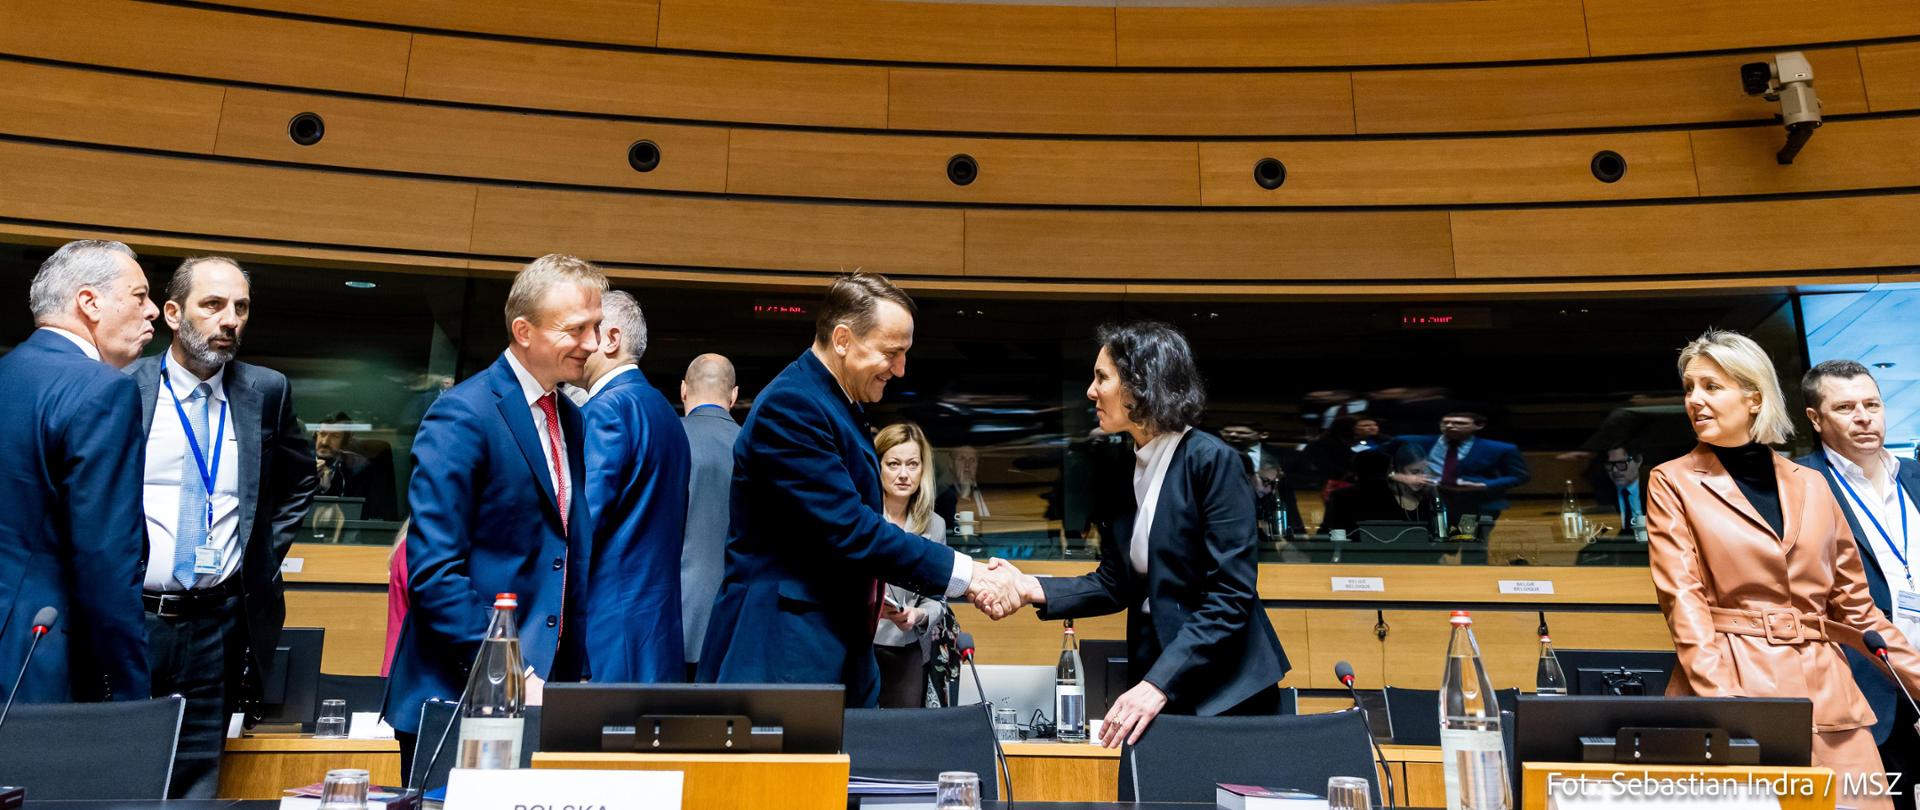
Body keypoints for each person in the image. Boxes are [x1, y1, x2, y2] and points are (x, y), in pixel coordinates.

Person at [699, 272, 1020, 707]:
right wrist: (969, 575)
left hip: (831, 645)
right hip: (782, 652)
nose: (900, 369)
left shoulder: (835, 403)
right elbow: (851, 529)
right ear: (843, 339)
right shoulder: (792, 406)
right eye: (891, 353)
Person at [1650, 330, 1920, 810]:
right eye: (1689, 388)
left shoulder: (1812, 484)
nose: (1695, 400)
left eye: (1711, 387)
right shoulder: (1672, 482)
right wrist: (1723, 706)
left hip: (1829, 693)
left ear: (1753, 397)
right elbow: (1684, 604)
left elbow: (1859, 611)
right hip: (1734, 684)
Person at [992, 321, 1290, 748]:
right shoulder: (1122, 467)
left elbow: (1230, 596)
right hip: (1159, 678)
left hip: (1228, 691)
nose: (1091, 392)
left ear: (1140, 384)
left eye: (1102, 378)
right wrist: (1028, 588)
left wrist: (1157, 684)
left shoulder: (1212, 461)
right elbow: (1116, 582)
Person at [384, 254, 602, 753]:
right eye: (576, 329)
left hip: (544, 692)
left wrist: (573, 672)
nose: (592, 343)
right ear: (524, 331)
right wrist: (512, 673)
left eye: (595, 326)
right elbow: (434, 571)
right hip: (459, 694)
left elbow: (561, 553)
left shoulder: (569, 418)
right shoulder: (463, 413)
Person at [125, 256, 317, 796]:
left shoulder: (266, 391)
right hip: (135, 615)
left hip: (219, 621)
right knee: (122, 767)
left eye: (241, 307)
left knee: (198, 774)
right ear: (172, 313)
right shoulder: (124, 385)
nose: (229, 319)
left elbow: (300, 479)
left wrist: (261, 554)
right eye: (212, 305)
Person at [0, 240, 154, 707]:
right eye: (139, 296)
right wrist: (130, 692)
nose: (152, 311)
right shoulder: (102, 390)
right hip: (44, 659)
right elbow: (104, 556)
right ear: (90, 302)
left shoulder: (7, 372)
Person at [1795, 359, 1920, 789]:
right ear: (1815, 419)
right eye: (1846, 408)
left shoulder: (1915, 476)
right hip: (1865, 693)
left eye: (1872, 404)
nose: (1864, 417)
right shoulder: (1799, 484)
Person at [579, 290, 690, 683]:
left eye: (586, 331)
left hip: (609, 626)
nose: (578, 344)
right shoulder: (665, 413)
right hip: (656, 626)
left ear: (611, 339)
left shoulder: (605, 410)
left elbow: (583, 524)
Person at [871, 422, 950, 708]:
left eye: (912, 464)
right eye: (893, 464)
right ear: (877, 466)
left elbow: (938, 598)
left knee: (904, 732)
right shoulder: (860, 517)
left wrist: (919, 614)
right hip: (859, 645)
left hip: (907, 648)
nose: (903, 474)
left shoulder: (934, 525)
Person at [679, 353, 739, 681]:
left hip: (675, 614)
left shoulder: (668, 438)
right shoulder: (754, 446)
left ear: (683, 390)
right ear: (734, 395)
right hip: (737, 619)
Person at [1400, 412, 1530, 531]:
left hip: (1476, 504)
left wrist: (1484, 485)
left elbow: (1520, 476)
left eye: (1459, 423)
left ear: (1478, 425)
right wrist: (1399, 476)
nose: (1450, 426)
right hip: (1431, 502)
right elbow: (1387, 454)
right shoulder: (1417, 441)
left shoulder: (1501, 449)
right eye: (1445, 422)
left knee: (1469, 542)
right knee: (1430, 543)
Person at [1320, 447, 1436, 536]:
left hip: (1352, 555)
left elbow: (1329, 531)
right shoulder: (1401, 494)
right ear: (1390, 469)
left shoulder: (1340, 496)